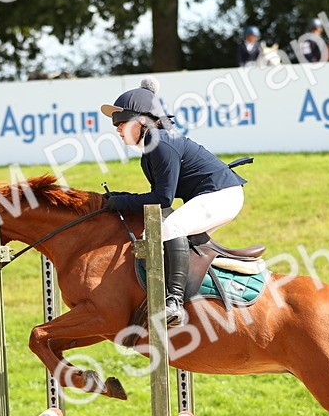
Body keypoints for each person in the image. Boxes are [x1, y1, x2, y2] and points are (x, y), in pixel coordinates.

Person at [100, 78, 247, 327]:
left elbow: (163, 199)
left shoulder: (160, 144)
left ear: (142, 121)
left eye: (121, 123)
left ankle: (174, 303)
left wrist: (122, 201)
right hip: (215, 195)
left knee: (171, 228)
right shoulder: (151, 148)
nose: (117, 129)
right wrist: (121, 197)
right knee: (167, 231)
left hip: (222, 194)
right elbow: (159, 198)